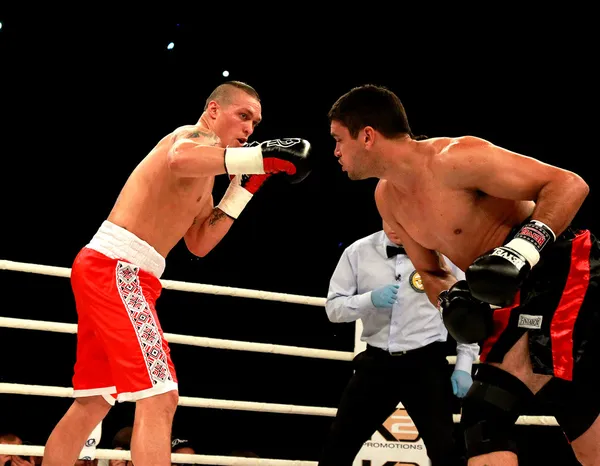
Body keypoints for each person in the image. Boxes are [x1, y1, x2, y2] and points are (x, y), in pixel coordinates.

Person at [41, 80, 312, 466]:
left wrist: (245, 189)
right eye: (243, 115)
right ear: (214, 111)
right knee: (160, 395)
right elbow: (179, 159)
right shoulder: (189, 136)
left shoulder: (209, 176)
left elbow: (199, 242)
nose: (250, 129)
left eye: (256, 123)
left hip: (118, 271)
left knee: (93, 401)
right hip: (118, 268)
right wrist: (254, 159)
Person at [327, 84, 599, 466]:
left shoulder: (456, 158)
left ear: (367, 136)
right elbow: (430, 270)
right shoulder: (386, 198)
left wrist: (520, 249)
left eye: (339, 139)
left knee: (488, 410)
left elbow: (569, 184)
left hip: (557, 266)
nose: (335, 152)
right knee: (567, 402)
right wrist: (451, 298)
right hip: (500, 293)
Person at [320, 219, 479, 466]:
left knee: (446, 453)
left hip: (426, 366)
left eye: (402, 220)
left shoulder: (445, 253)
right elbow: (333, 309)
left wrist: (464, 364)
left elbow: (468, 313)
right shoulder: (358, 251)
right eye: (389, 219)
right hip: (376, 364)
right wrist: (368, 300)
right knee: (337, 448)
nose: (394, 227)